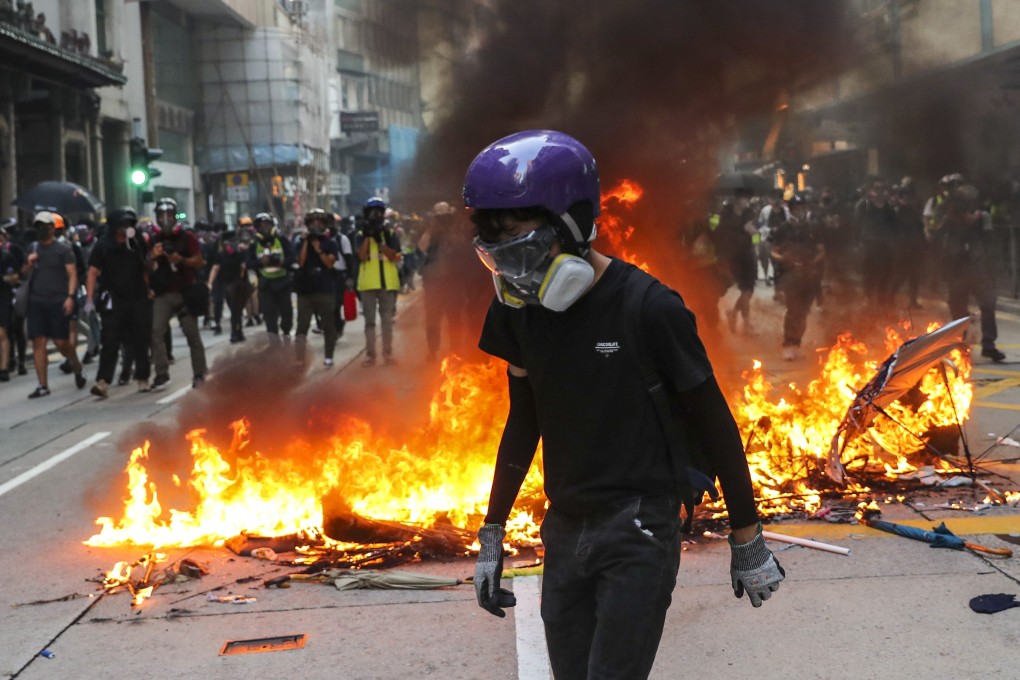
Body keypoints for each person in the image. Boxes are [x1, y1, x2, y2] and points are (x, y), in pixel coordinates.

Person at [464, 130, 784, 679]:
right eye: (499, 256)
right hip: (563, 527)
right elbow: (524, 421)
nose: (514, 274)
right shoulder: (518, 312)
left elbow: (716, 427)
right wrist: (492, 531)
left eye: (522, 247)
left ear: (572, 223)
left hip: (639, 528)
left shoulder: (649, 309)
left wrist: (747, 537)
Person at [84, 207, 152, 396]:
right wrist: (90, 297)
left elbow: (144, 266)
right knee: (111, 340)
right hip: (113, 299)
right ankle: (103, 381)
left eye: (130, 224)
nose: (126, 227)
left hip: (137, 296)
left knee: (140, 337)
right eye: (122, 224)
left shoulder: (137, 241)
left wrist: (149, 287)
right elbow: (92, 271)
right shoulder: (103, 245)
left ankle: (143, 377)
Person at [935, 185, 1006, 362]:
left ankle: (989, 345)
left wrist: (992, 268)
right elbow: (939, 239)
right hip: (957, 270)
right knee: (958, 308)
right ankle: (960, 343)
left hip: (978, 269)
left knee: (988, 305)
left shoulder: (982, 218)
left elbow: (990, 243)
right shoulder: (950, 218)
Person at [21, 211, 87, 397]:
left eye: (44, 226)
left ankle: (76, 365)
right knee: (38, 342)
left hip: (58, 301)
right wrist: (28, 263)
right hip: (36, 302)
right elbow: (24, 274)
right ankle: (43, 385)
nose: (41, 230)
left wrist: (70, 296)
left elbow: (72, 274)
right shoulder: (33, 248)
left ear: (52, 228)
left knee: (61, 342)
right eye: (37, 226)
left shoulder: (64, 249)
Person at [148, 197, 208, 389]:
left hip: (185, 291)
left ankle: (199, 373)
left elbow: (199, 261)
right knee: (156, 332)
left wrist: (180, 259)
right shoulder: (152, 239)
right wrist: (153, 257)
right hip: (163, 293)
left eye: (169, 215)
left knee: (192, 335)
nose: (165, 219)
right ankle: (162, 373)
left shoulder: (187, 237)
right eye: (161, 215)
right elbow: (146, 267)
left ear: (175, 216)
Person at [770, 195, 824, 360]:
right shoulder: (783, 229)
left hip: (809, 276)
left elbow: (821, 251)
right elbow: (773, 250)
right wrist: (785, 259)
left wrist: (811, 263)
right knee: (793, 310)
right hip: (790, 276)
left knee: (803, 312)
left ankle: (797, 342)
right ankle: (788, 344)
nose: (801, 211)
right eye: (797, 208)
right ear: (791, 210)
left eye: (803, 208)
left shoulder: (813, 228)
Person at [355, 197, 402, 366]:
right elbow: (361, 256)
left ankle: (387, 354)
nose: (376, 215)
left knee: (387, 321)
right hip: (368, 284)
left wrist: (380, 240)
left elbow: (394, 256)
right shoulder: (360, 235)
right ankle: (370, 355)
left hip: (387, 284)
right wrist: (368, 236)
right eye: (373, 213)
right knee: (369, 322)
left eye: (379, 212)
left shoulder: (390, 234)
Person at [293, 209, 339, 366]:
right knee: (302, 326)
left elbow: (329, 263)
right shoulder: (299, 241)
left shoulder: (330, 243)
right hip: (305, 291)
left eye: (319, 221)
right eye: (312, 222)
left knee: (328, 325)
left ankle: (328, 357)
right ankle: (299, 359)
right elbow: (300, 262)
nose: (316, 224)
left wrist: (319, 249)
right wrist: (306, 242)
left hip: (325, 289)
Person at [713, 187, 759, 334]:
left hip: (748, 254)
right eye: (744, 198)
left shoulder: (749, 214)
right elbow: (719, 231)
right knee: (744, 288)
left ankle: (733, 313)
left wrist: (755, 235)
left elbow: (756, 235)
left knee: (748, 290)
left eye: (748, 199)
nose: (747, 202)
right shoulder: (725, 213)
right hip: (732, 255)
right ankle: (746, 323)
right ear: (737, 199)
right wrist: (741, 227)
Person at [249, 212, 294, 340]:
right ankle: (273, 340)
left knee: (287, 313)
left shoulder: (282, 240)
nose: (265, 228)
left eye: (267, 224)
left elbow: (292, 258)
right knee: (269, 314)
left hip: (283, 282)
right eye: (261, 225)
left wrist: (281, 262)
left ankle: (286, 332)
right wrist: (260, 262)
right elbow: (248, 263)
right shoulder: (254, 244)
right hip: (265, 284)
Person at [207, 224, 250, 344]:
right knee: (235, 309)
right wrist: (210, 283)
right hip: (229, 284)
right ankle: (237, 332)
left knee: (237, 309)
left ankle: (236, 332)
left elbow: (245, 266)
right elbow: (215, 268)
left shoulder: (242, 253)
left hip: (241, 284)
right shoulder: (222, 255)